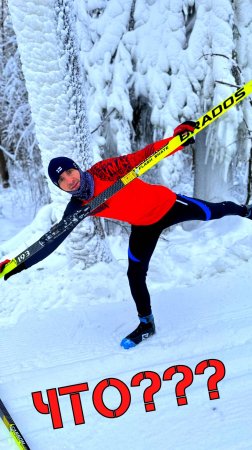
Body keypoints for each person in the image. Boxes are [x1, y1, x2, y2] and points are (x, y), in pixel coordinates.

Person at [1, 121, 251, 349]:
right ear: (59, 187)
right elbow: (52, 240)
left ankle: (245, 211)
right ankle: (147, 324)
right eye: (62, 179)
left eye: (69, 172)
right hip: (143, 226)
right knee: (134, 275)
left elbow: (143, 157)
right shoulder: (79, 207)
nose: (69, 179)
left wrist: (176, 140)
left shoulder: (104, 172)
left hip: (168, 204)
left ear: (76, 168)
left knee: (214, 211)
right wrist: (18, 264)